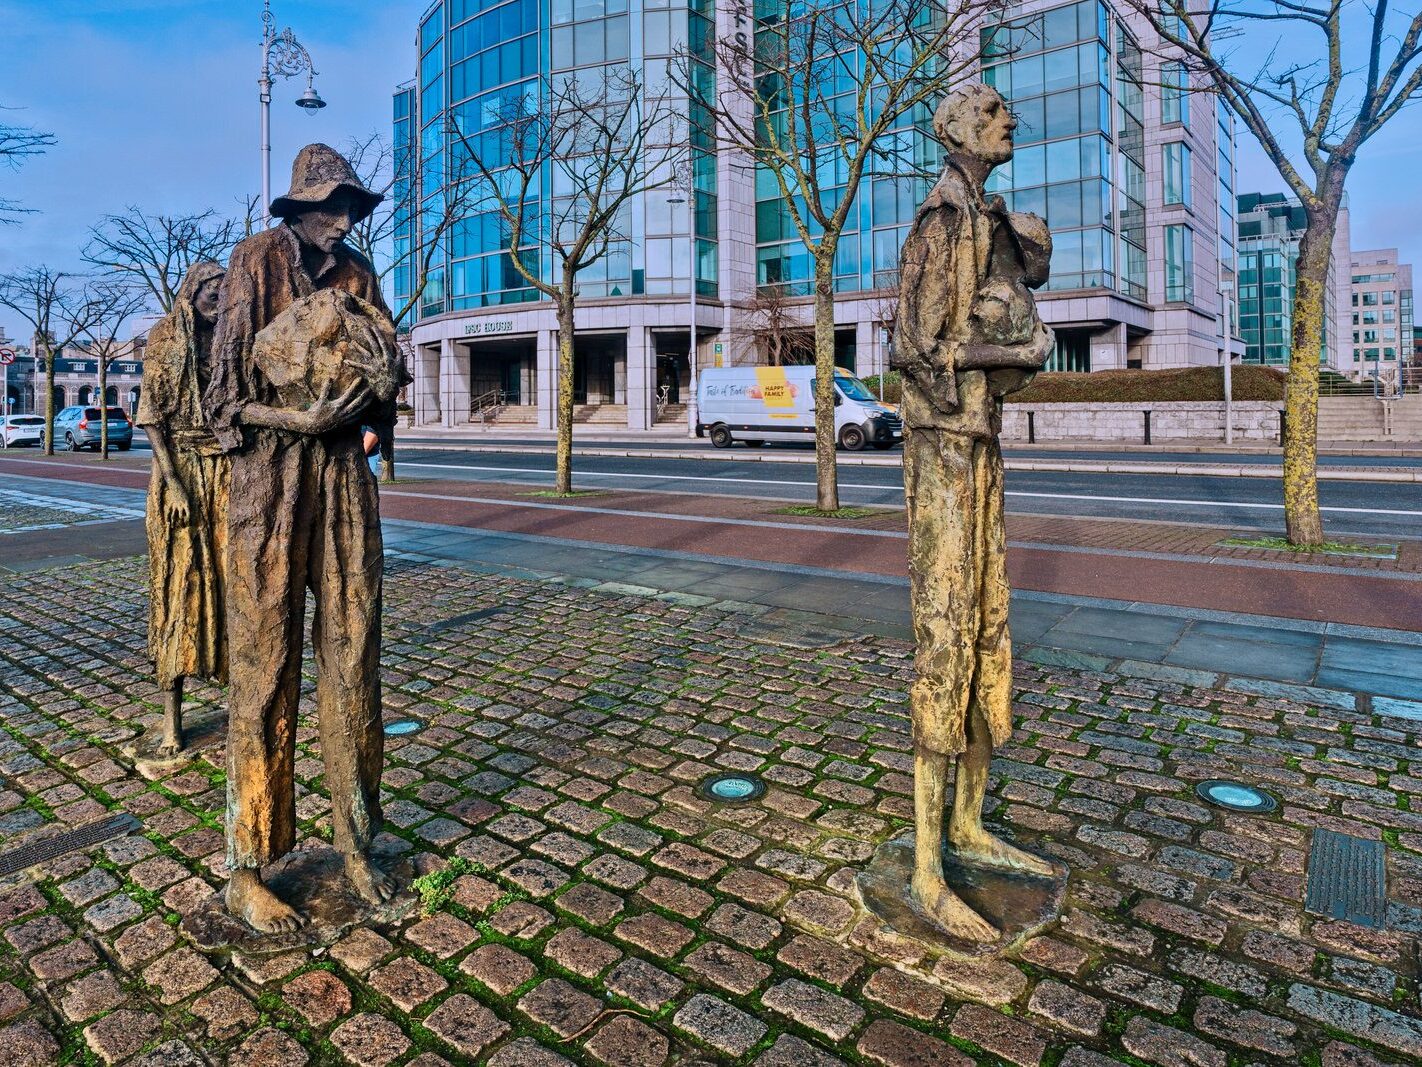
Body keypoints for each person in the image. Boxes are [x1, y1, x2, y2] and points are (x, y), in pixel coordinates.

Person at [204, 144, 399, 934]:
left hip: (344, 483)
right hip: (269, 483)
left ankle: (357, 837)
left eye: (351, 204)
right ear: (297, 206)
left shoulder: (358, 277)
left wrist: (373, 426)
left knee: (354, 655)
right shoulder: (254, 261)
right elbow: (223, 402)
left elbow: (385, 371)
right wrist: (300, 418)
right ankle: (247, 865)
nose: (344, 219)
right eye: (331, 204)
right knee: (264, 665)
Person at [892, 84, 1055, 942]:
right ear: (956, 129)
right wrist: (1011, 351)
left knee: (990, 627)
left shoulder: (988, 218)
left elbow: (996, 327)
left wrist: (1015, 350)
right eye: (995, 111)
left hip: (980, 444)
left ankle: (967, 825)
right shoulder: (941, 220)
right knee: (946, 632)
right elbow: (911, 348)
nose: (1011, 119)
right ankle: (926, 865)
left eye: (1006, 109)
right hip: (943, 448)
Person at [136, 262, 229, 757]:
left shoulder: (234, 336)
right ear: (192, 292)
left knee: (237, 584)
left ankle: (243, 700)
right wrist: (172, 482)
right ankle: (172, 720)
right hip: (183, 475)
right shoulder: (168, 337)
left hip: (229, 473)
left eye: (223, 289)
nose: (218, 297)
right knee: (177, 591)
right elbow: (152, 417)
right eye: (211, 290)